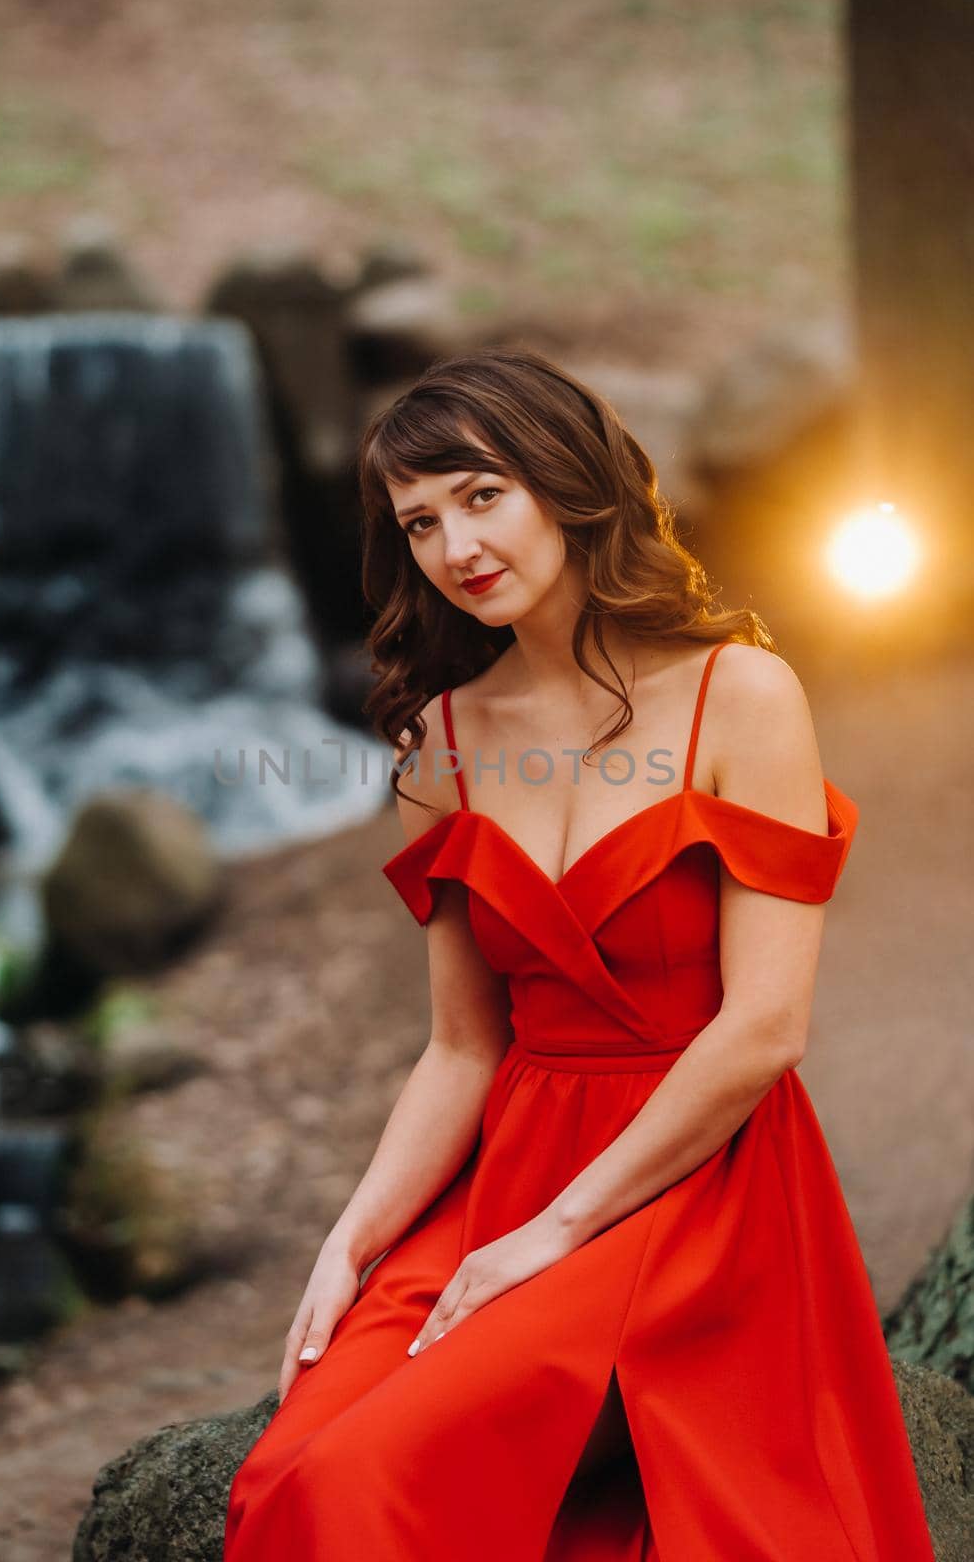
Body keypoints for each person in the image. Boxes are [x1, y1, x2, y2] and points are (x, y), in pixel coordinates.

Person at [223, 347, 935, 1559]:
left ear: (565, 479)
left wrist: (552, 1234)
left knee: (368, 1477)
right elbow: (459, 1044)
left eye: (481, 493)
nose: (455, 546)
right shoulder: (437, 741)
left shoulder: (737, 694)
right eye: (419, 522)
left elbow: (763, 1028)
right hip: (500, 1168)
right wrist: (354, 1238)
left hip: (688, 1182)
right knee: (288, 1471)